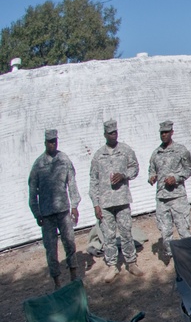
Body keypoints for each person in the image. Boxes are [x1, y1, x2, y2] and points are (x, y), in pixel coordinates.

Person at [90, 119, 142, 282]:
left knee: (126, 232)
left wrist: (124, 175)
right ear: (105, 134)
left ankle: (131, 262)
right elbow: (93, 181)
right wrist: (96, 204)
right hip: (105, 204)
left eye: (115, 132)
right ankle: (112, 266)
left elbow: (135, 168)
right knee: (108, 236)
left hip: (122, 200)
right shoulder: (98, 156)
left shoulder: (126, 151)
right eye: (110, 133)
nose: (113, 135)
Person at [28, 129, 81, 289]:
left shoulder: (64, 160)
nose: (53, 144)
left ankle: (73, 276)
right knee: (51, 249)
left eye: (55, 141)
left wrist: (74, 205)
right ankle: (57, 282)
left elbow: (72, 183)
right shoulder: (38, 165)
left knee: (70, 242)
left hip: (63, 211)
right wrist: (37, 213)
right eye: (50, 142)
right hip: (47, 215)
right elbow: (32, 192)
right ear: (45, 143)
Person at [148, 120, 191, 259]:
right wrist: (152, 177)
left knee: (183, 229)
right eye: (162, 133)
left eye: (166, 132)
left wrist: (177, 178)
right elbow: (151, 170)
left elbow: (189, 169)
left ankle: (190, 256)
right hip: (162, 198)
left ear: (172, 133)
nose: (164, 135)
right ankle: (172, 256)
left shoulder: (181, 150)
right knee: (165, 231)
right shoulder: (156, 153)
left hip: (177, 197)